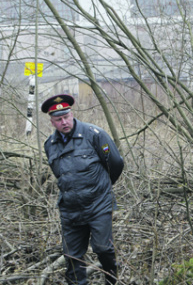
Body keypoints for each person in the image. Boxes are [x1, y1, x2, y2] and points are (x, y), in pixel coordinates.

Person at [41, 94, 124, 285]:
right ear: (52, 121)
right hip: (70, 209)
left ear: (72, 114)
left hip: (98, 204)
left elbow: (116, 164)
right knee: (72, 257)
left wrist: (101, 187)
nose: (64, 122)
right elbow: (60, 174)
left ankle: (112, 281)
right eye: (58, 119)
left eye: (66, 117)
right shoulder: (50, 144)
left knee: (103, 248)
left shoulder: (94, 134)